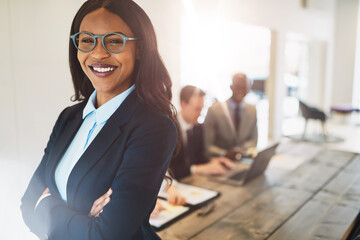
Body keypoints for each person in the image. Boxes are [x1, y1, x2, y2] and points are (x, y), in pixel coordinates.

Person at [20, 1, 178, 239]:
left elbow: (106, 235)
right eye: (86, 40)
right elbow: (26, 205)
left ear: (140, 49)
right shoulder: (69, 117)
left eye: (114, 41)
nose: (98, 53)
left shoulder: (153, 127)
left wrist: (45, 205)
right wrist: (84, 215)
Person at [170, 85, 234, 180]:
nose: (200, 113)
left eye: (202, 108)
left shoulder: (198, 127)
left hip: (194, 182)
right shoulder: (170, 128)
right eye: (197, 109)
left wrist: (214, 161)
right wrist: (197, 169)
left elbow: (200, 158)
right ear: (183, 104)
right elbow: (169, 169)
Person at [203, 73, 258, 160]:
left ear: (248, 89)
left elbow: (253, 140)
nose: (241, 90)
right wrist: (225, 153)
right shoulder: (214, 110)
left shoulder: (252, 110)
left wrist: (241, 150)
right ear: (231, 87)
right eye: (237, 87)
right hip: (220, 161)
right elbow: (207, 146)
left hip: (243, 160)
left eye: (244, 87)